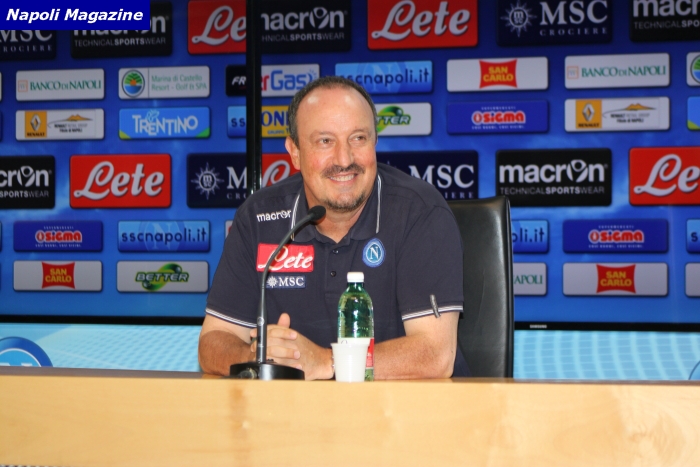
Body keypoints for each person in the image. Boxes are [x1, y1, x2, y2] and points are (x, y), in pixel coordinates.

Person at [199, 76, 469, 379]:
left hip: (403, 407)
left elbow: (435, 355)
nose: (344, 159)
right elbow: (213, 341)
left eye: (358, 138)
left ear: (375, 142)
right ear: (295, 152)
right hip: (293, 408)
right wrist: (255, 357)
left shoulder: (419, 212)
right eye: (325, 141)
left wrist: (326, 361)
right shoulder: (258, 217)